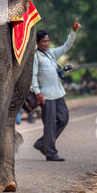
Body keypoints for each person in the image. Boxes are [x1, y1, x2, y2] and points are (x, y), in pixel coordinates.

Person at [31, 18, 82, 161]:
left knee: (63, 118)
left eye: (48, 41)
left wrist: (73, 31)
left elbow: (66, 47)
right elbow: (33, 76)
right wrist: (38, 93)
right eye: (43, 42)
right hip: (46, 95)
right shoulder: (35, 56)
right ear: (37, 43)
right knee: (49, 124)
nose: (46, 43)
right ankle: (51, 153)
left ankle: (42, 143)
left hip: (58, 93)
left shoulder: (51, 53)